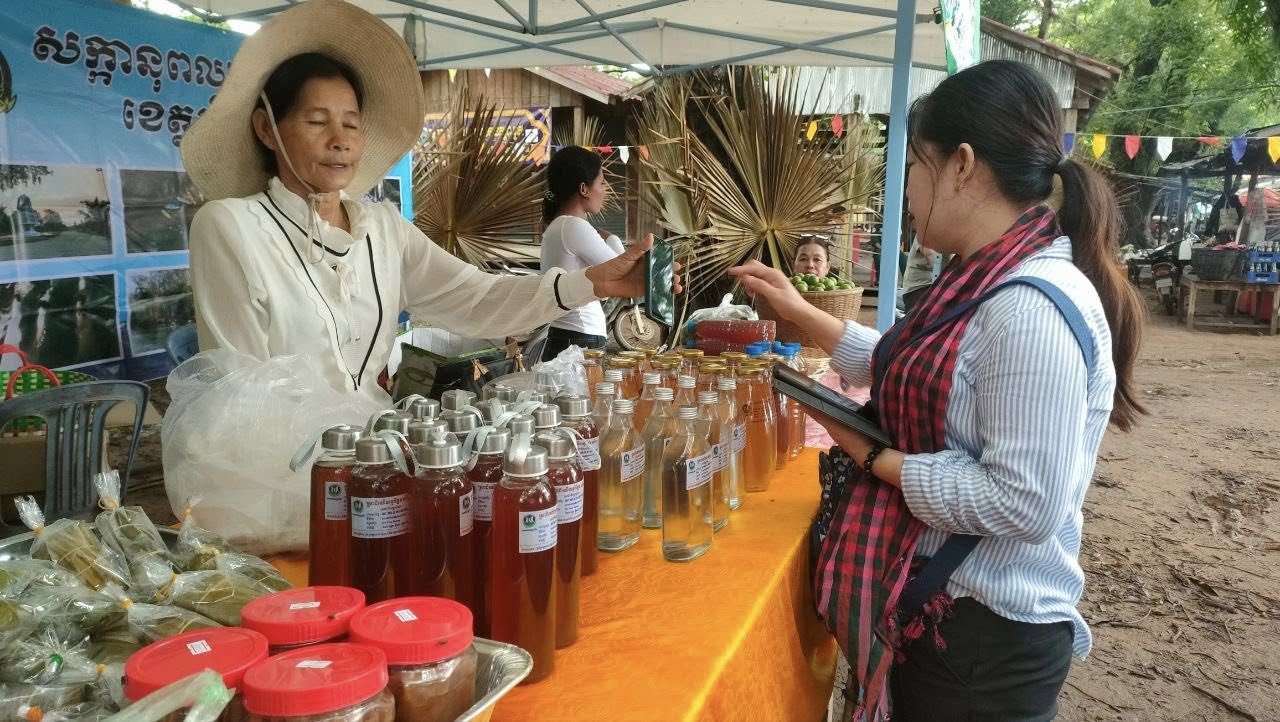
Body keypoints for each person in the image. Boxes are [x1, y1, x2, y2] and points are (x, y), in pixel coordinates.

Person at [730, 59, 1144, 721]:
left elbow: (1025, 502)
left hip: (982, 642)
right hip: (952, 619)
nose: (907, 189)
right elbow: (909, 369)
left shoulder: (1028, 309)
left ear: (962, 165)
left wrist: (875, 457)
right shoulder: (980, 281)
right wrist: (801, 312)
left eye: (915, 166)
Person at [180, 0, 667, 404]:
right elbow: (237, 397)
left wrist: (591, 282)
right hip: (278, 475)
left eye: (351, 123)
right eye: (316, 121)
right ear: (267, 129)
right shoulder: (232, 228)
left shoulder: (381, 228)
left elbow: (476, 297)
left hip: (372, 457)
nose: (340, 140)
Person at [539, 146, 625, 360]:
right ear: (584, 189)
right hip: (579, 337)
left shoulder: (559, 226)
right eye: (601, 183)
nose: (605, 190)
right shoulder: (573, 226)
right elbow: (621, 270)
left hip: (568, 335)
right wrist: (612, 239)